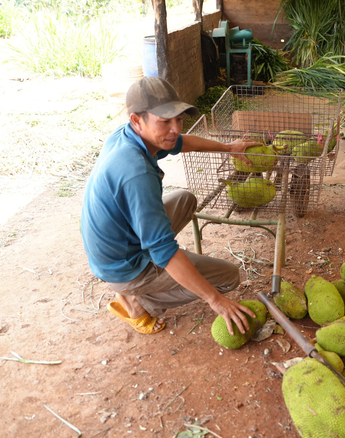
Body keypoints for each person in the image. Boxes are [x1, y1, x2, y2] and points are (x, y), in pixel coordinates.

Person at [81, 77, 259, 336]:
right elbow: (164, 250)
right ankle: (139, 303)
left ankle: (152, 280)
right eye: (165, 121)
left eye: (179, 119)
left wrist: (227, 147)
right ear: (136, 120)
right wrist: (215, 301)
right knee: (229, 277)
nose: (174, 128)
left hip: (117, 242)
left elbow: (181, 142)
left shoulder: (130, 135)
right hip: (124, 265)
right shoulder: (136, 173)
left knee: (185, 199)